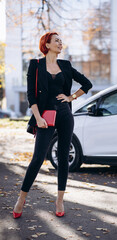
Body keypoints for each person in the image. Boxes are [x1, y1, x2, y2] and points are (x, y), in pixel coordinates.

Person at [13, 32, 93, 218]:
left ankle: (59, 200)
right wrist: (38, 117)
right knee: (38, 158)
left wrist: (71, 97)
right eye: (56, 40)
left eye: (61, 41)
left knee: (63, 157)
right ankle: (21, 198)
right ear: (46, 44)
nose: (60, 43)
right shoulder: (36, 65)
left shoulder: (65, 65)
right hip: (45, 117)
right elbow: (31, 95)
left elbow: (87, 84)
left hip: (65, 115)